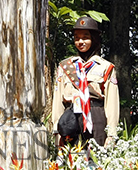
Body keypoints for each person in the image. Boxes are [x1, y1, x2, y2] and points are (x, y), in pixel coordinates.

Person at [51, 16, 120, 148]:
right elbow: (58, 101)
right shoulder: (65, 66)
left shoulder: (106, 67)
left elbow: (111, 103)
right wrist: (56, 130)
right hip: (70, 117)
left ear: (94, 39)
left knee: (96, 162)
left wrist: (111, 133)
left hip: (96, 116)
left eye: (85, 37)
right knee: (70, 163)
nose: (80, 41)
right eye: (77, 38)